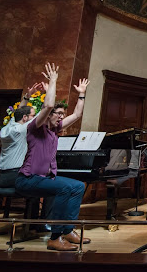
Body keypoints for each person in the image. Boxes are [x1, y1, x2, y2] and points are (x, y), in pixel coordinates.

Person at [14, 63, 90, 251]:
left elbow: (77, 114)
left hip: (45, 178)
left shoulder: (54, 130)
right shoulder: (35, 127)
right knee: (64, 189)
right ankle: (54, 238)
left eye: (62, 114)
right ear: (49, 115)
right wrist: (54, 80)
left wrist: (81, 94)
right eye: (58, 114)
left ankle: (67, 230)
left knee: (79, 186)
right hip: (28, 179)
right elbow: (48, 105)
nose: (61, 117)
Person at [0, 83, 42, 188]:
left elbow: (18, 112)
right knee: (41, 185)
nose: (34, 117)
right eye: (32, 115)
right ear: (25, 118)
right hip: (15, 176)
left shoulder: (7, 127)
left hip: (2, 175)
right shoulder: (21, 130)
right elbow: (43, 113)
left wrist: (27, 96)